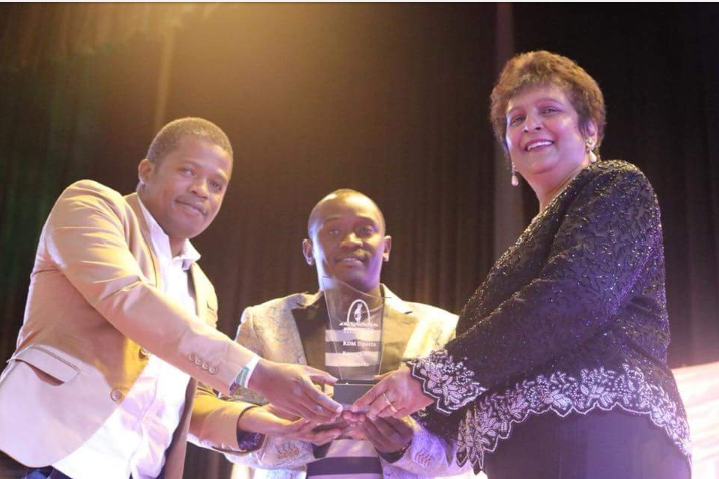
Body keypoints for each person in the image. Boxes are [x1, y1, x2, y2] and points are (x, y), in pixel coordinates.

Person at [353, 51, 692, 479]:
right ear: (508, 150)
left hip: (607, 444)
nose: (531, 125)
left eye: (549, 110)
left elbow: (575, 295)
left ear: (589, 129)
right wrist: (398, 431)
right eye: (516, 119)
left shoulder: (615, 184)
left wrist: (425, 381)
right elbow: (479, 386)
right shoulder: (517, 258)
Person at [0, 118, 341, 479]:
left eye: (216, 184)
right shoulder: (93, 206)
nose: (201, 190)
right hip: (47, 462)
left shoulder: (202, 290)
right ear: (146, 171)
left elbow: (190, 406)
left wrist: (256, 419)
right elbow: (128, 298)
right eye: (188, 171)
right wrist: (257, 373)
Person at [191, 189, 472, 478]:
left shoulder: (441, 328)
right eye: (334, 231)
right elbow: (232, 436)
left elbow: (470, 448)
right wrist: (300, 436)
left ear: (386, 247)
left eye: (365, 230)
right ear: (308, 250)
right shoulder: (264, 322)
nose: (350, 241)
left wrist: (409, 445)